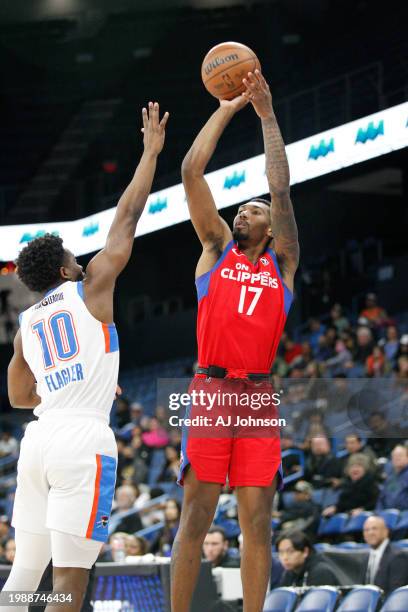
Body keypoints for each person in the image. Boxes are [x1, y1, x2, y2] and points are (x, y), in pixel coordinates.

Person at [2, 102, 169, 612]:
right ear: (66, 268)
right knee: (70, 582)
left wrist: (75, 383)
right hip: (82, 440)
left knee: (28, 573)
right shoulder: (90, 286)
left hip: (38, 441)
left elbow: (17, 396)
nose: (83, 260)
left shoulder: (26, 326)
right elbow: (127, 217)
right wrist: (150, 153)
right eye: (75, 257)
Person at [171, 69, 299, 612]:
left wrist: (267, 115)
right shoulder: (215, 245)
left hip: (258, 398)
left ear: (270, 229)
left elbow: (280, 186)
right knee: (195, 517)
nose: (244, 210)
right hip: (212, 390)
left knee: (257, 525)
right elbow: (190, 170)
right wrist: (228, 106)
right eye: (241, 208)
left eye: (255, 210)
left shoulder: (283, 262)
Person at [362, 515, 408, 594]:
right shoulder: (366, 557)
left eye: (374, 528)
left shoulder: (398, 556)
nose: (370, 533)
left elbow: (395, 593)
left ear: (386, 531)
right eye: (366, 530)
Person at [376, 444, 408, 511]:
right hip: (388, 514)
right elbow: (381, 498)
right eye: (394, 456)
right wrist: (378, 513)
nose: (396, 458)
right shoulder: (390, 476)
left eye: (400, 455)